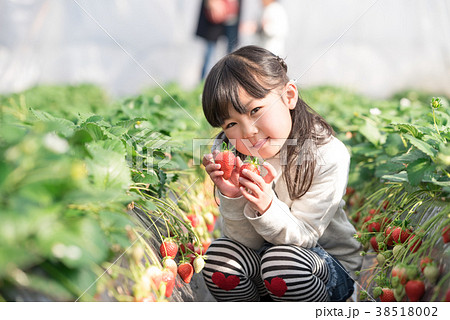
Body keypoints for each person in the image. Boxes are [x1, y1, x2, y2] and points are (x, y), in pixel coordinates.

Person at [200, 45, 362, 302]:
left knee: (282, 263)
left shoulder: (327, 154)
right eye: (231, 124)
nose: (248, 131)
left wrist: (265, 207)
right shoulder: (236, 156)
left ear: (289, 96)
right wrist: (233, 196)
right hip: (267, 265)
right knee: (221, 259)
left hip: (324, 267)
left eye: (255, 111)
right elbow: (245, 244)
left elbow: (305, 236)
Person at [195, 0, 242, 80]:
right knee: (209, 56)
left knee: (231, 57)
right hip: (215, 15)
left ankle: (228, 84)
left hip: (232, 14)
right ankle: (204, 85)